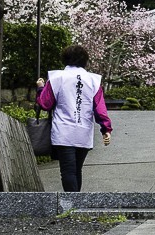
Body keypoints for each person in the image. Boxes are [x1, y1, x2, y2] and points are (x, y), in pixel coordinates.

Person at [35, 44, 112, 192]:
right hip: (83, 132)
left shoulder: (57, 78)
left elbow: (45, 103)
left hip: (63, 131)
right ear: (85, 60)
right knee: (77, 170)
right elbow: (99, 108)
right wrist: (106, 129)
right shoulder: (93, 80)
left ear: (65, 59)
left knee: (68, 171)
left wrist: (40, 88)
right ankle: (77, 206)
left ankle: (72, 207)